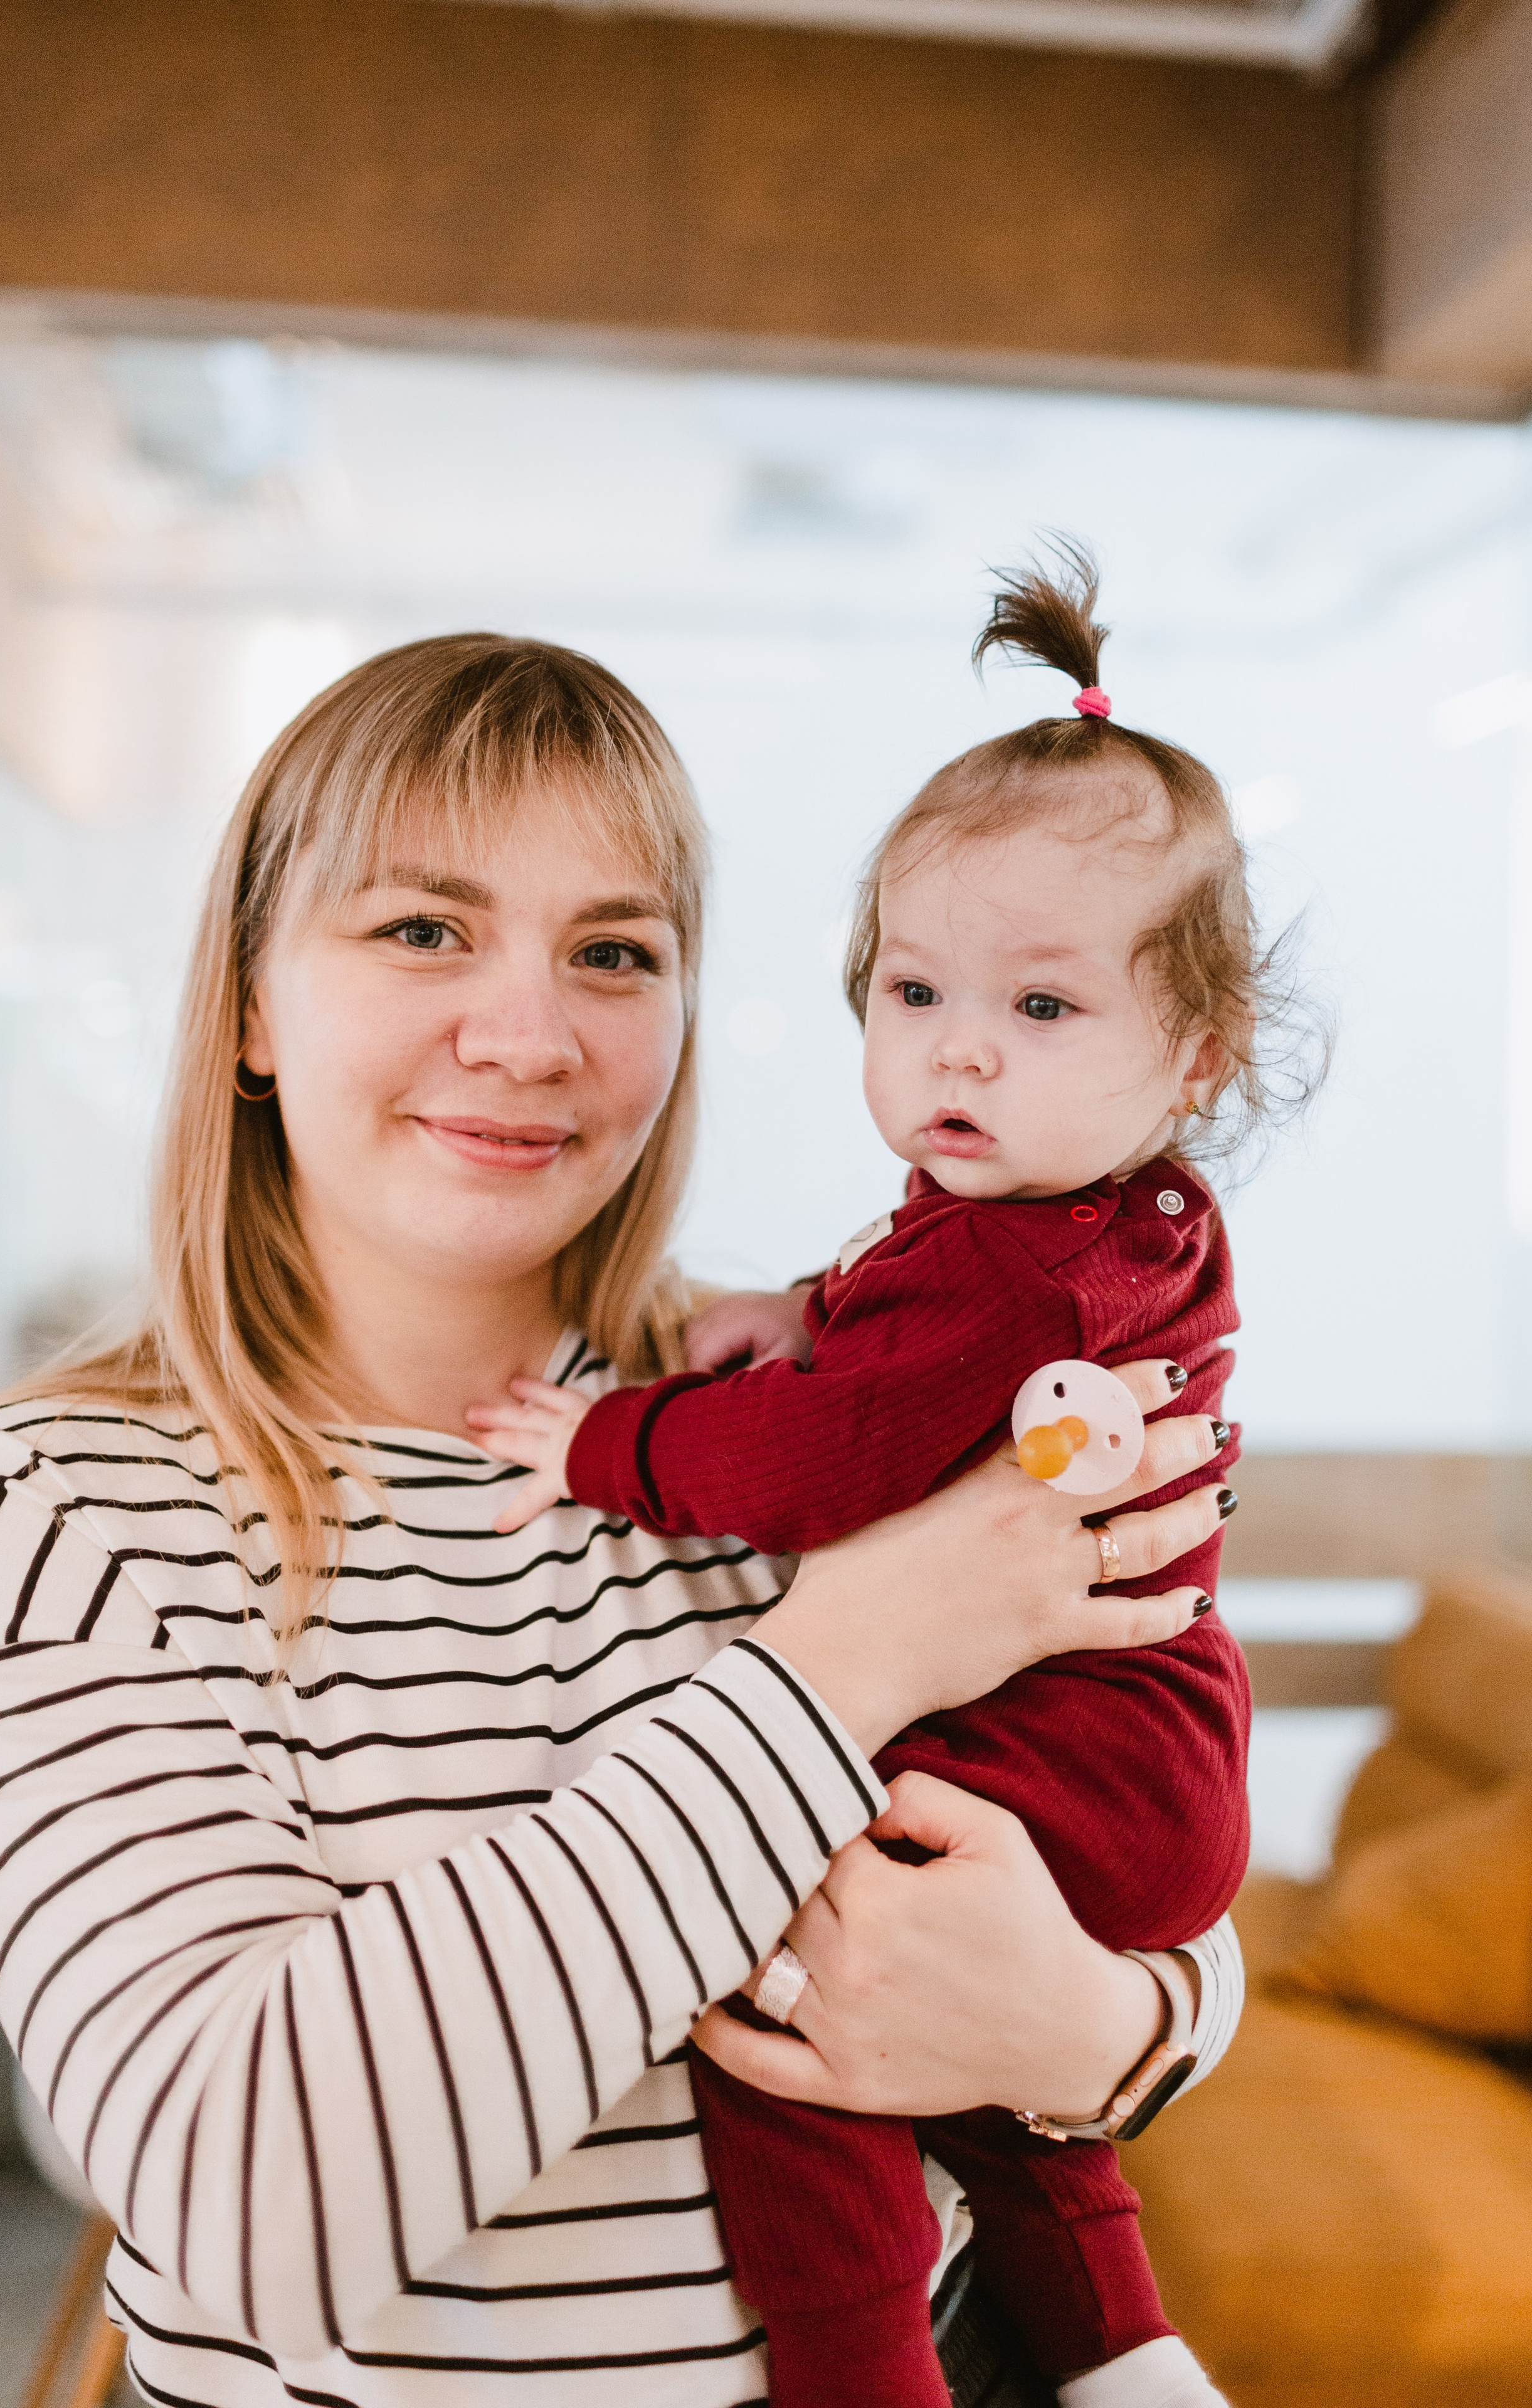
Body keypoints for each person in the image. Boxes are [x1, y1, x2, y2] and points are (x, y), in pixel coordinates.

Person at [0, 635, 1240, 2408]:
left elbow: (1143, 1846)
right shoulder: (57, 1505)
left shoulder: (792, 1418)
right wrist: (839, 1663)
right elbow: (237, 2206)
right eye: (421, 930)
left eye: (614, 953)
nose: (527, 1036)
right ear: (247, 1003)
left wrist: (1094, 2033)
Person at [469, 551, 1291, 2408]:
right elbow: (902, 1335)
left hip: (1073, 1749)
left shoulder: (1018, 1262)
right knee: (955, 2041)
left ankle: (858, 2375)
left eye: (1043, 1009)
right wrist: (802, 1301)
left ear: (1199, 1054)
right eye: (912, 991)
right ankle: (1120, 2350)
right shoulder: (1101, 1223)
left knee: (788, 2000)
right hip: (1145, 1749)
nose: (959, 1048)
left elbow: (821, 1448)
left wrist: (603, 1444)